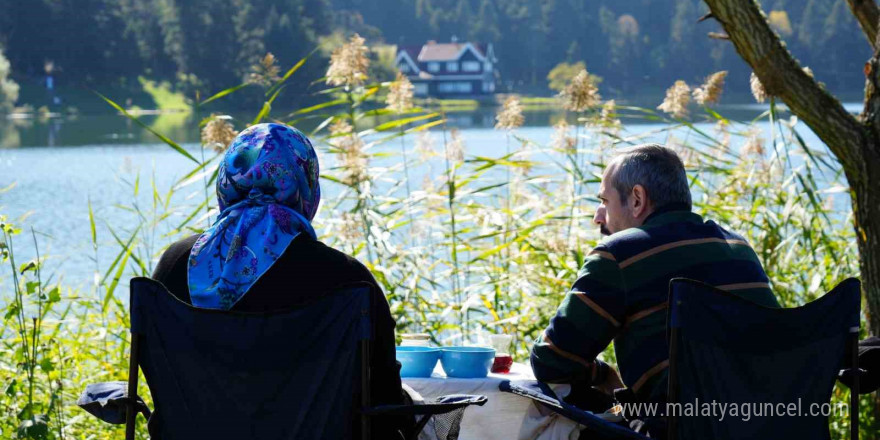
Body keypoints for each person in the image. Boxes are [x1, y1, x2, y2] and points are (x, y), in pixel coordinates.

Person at [152, 123, 410, 439]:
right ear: (306, 184)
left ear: (226, 180)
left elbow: (159, 377)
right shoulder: (348, 279)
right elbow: (385, 394)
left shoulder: (175, 265)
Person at [530, 144, 780, 436]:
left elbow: (551, 360)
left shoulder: (620, 255)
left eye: (605, 201)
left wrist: (603, 374)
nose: (599, 217)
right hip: (769, 424)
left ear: (637, 199)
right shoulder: (739, 248)